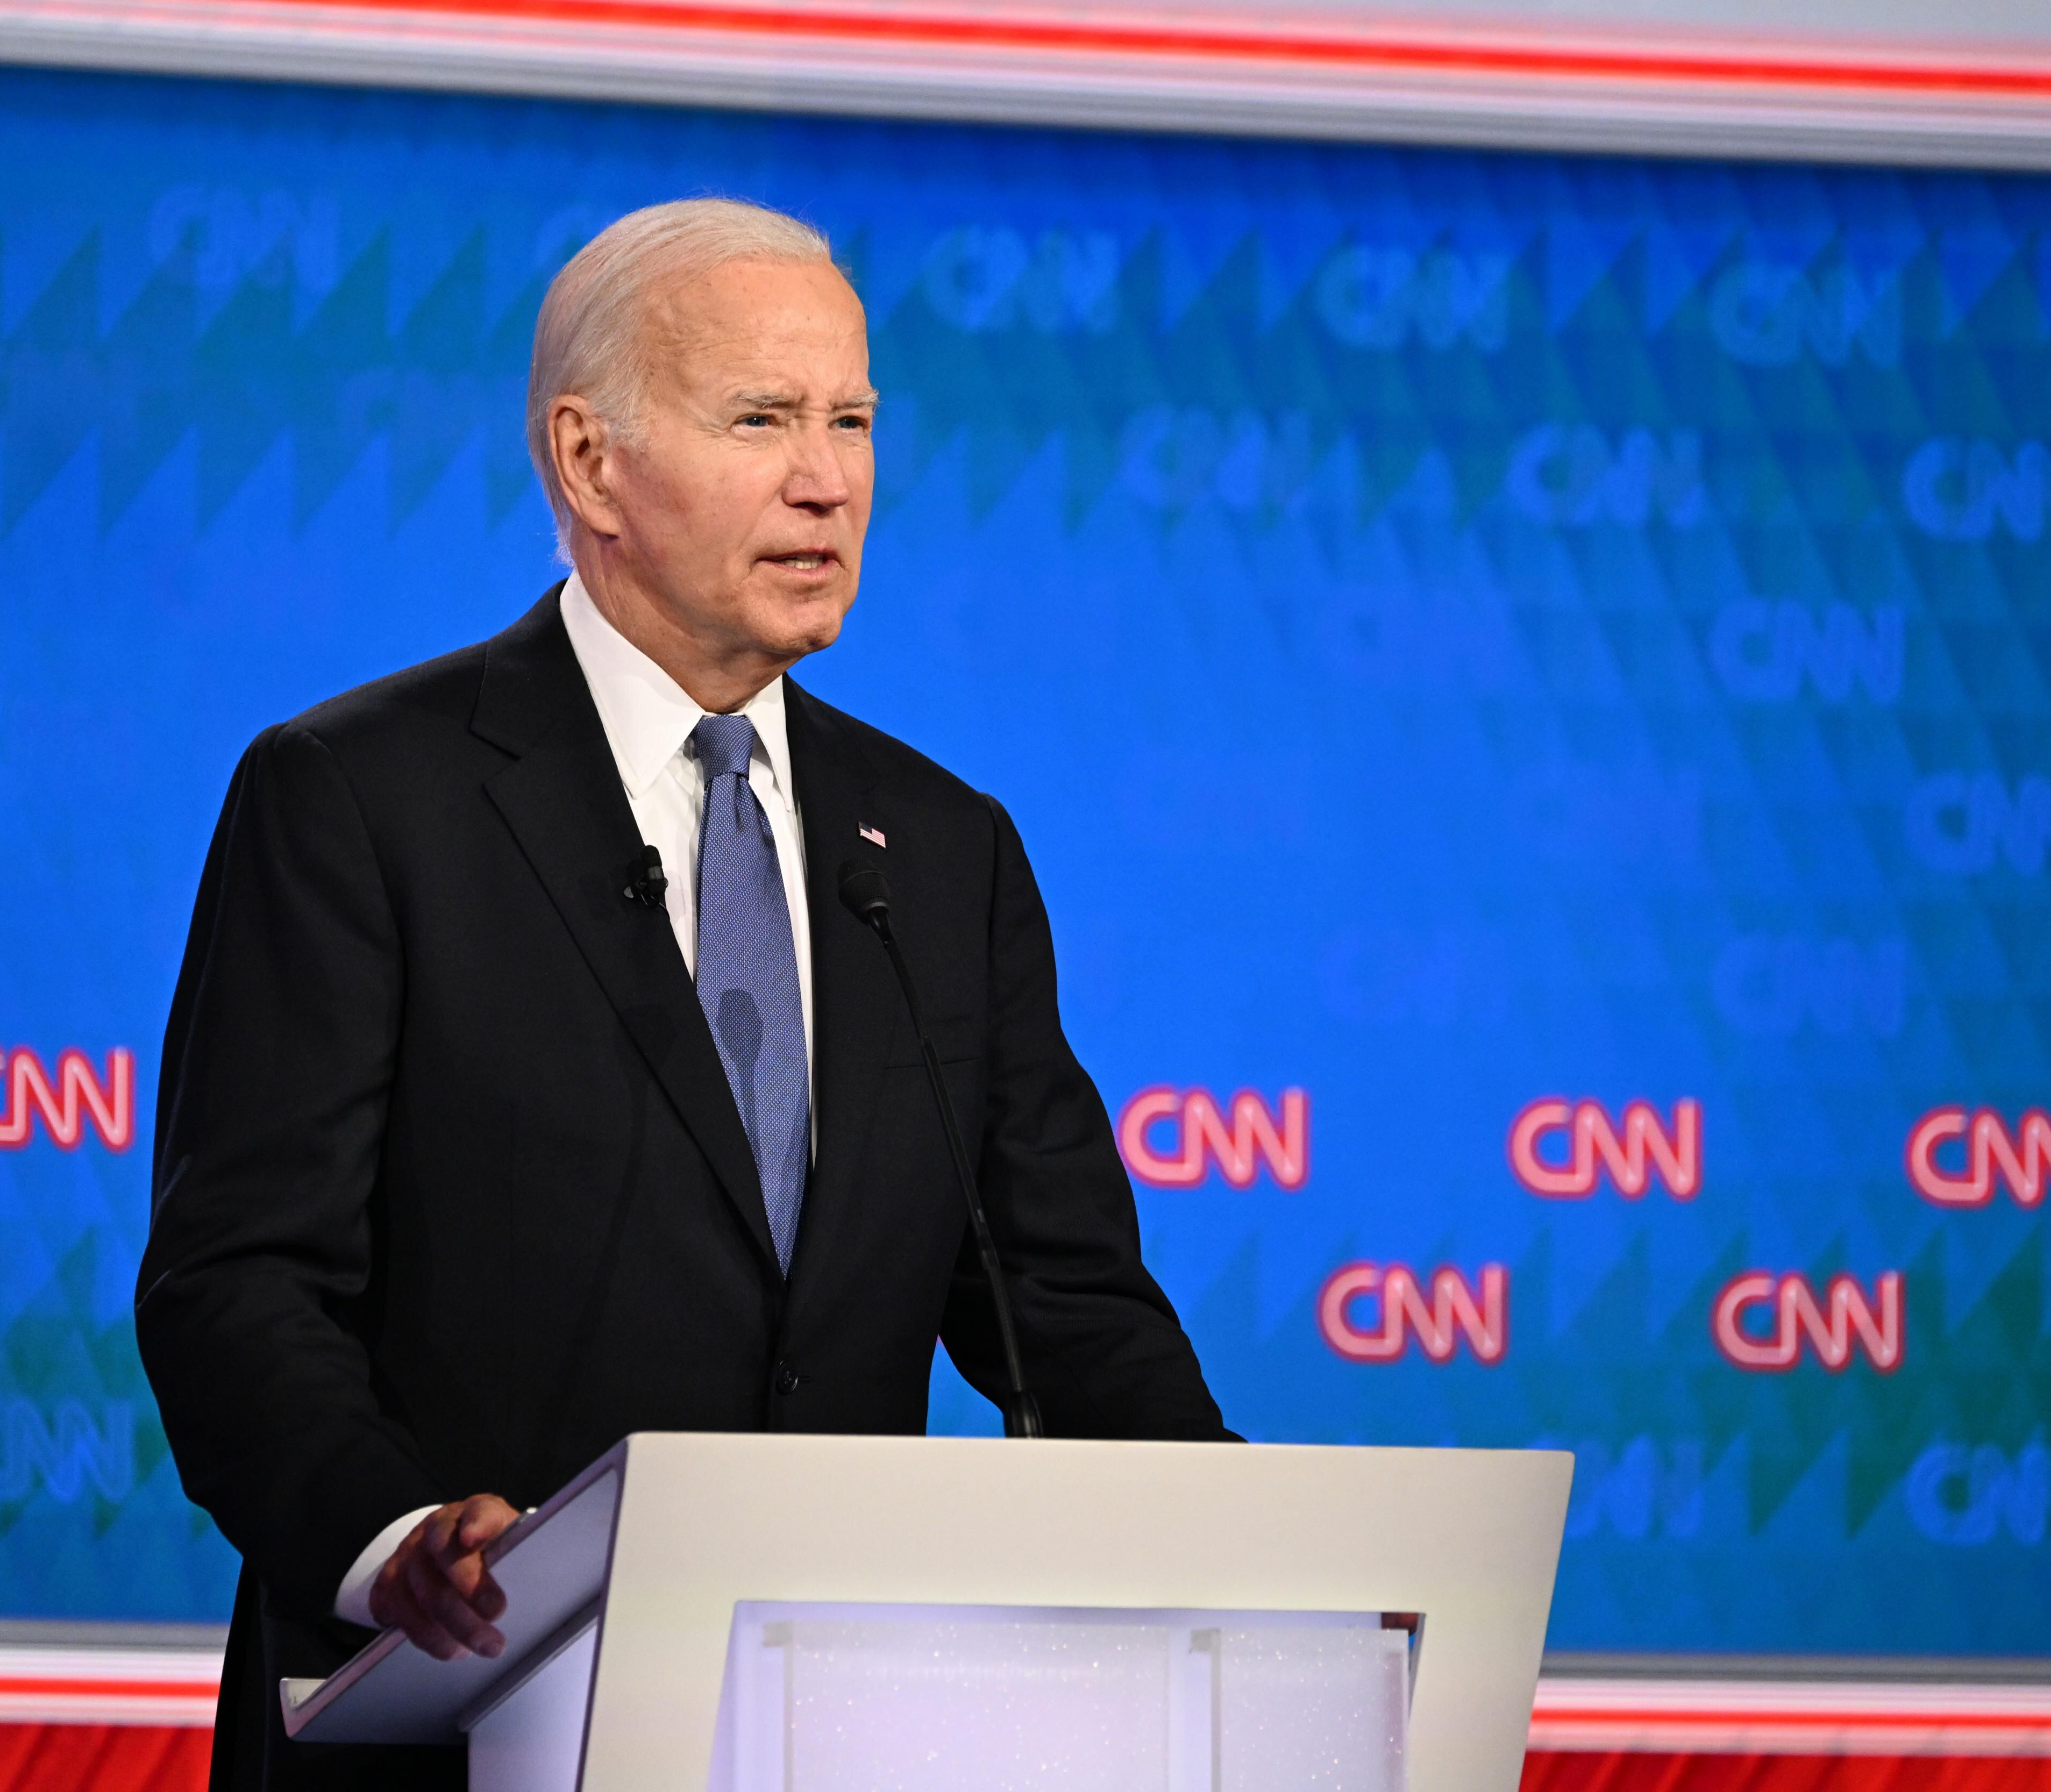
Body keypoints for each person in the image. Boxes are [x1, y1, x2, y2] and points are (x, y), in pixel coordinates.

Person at [134, 197, 1233, 1791]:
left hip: (828, 1734)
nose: (829, 477)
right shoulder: (362, 802)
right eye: (763, 419)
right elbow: (237, 1287)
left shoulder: (936, 851)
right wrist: (398, 1543)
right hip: (452, 1733)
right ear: (591, 464)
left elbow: (1062, 1306)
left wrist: (1255, 1555)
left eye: (853, 419)